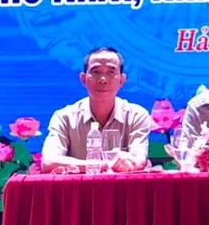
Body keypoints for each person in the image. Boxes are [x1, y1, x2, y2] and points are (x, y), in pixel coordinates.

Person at [40, 46, 154, 174]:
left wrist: (130, 162)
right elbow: (48, 162)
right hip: (78, 186)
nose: (103, 79)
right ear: (83, 79)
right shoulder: (64, 117)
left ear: (122, 80)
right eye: (96, 72)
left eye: (111, 72)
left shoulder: (136, 116)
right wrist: (104, 164)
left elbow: (139, 161)